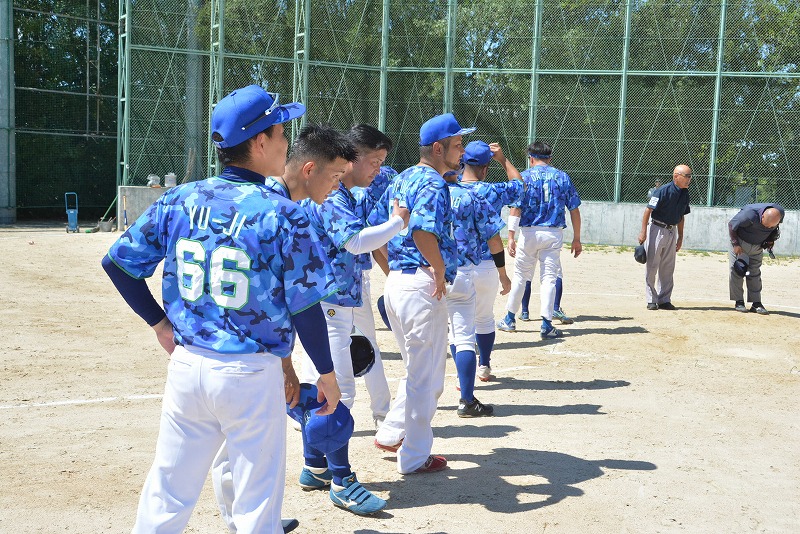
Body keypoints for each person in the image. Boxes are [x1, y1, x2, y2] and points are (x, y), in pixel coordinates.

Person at [102, 84, 342, 534]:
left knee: (168, 492)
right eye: (280, 132)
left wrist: (159, 324)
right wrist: (326, 374)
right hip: (249, 374)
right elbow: (306, 306)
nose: (286, 142)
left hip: (188, 366)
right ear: (259, 142)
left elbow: (117, 264)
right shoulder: (284, 213)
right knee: (256, 506)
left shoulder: (181, 198)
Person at [296, 124, 410, 514]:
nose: (378, 169)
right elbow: (355, 241)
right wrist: (399, 221)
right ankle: (342, 480)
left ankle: (315, 466)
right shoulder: (332, 195)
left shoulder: (341, 192)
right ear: (351, 159)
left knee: (324, 387)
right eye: (374, 161)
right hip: (327, 302)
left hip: (330, 300)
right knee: (338, 391)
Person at [368, 112, 470, 474]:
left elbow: (377, 231)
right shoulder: (432, 183)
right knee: (427, 378)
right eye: (457, 144)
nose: (461, 151)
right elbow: (423, 232)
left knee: (416, 370)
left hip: (399, 282)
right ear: (438, 149)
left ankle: (391, 432)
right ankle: (413, 456)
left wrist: (393, 272)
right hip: (422, 283)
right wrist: (438, 270)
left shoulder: (401, 177)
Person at [444, 153, 511, 416]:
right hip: (469, 269)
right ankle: (470, 393)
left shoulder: (428, 192)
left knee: (445, 335)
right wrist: (503, 273)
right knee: (475, 326)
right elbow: (494, 239)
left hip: (431, 272)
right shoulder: (476, 195)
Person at [497, 141, 582, 339]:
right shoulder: (562, 177)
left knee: (521, 276)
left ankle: (510, 319)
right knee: (549, 278)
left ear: (531, 159)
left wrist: (511, 236)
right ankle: (546, 324)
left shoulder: (524, 177)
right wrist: (577, 238)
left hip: (529, 232)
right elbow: (574, 209)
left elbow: (516, 208)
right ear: (549, 158)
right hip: (553, 233)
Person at [458, 141, 521, 381]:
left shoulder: (448, 189)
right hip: (486, 265)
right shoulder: (493, 191)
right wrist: (503, 160)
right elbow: (519, 186)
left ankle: (462, 377)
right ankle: (484, 365)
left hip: (455, 266)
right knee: (484, 318)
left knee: (459, 326)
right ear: (485, 168)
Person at [638, 165, 692, 310]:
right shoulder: (662, 191)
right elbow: (648, 210)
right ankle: (651, 299)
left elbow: (681, 216)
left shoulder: (685, 193)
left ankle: (664, 299)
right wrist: (643, 232)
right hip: (657, 229)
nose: (689, 179)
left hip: (672, 231)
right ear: (676, 176)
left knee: (668, 267)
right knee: (652, 265)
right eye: (686, 176)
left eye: (690, 176)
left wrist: (680, 236)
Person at [728, 203, 785, 314]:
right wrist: (735, 244)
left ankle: (756, 303)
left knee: (754, 272)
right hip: (740, 243)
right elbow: (731, 225)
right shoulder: (749, 214)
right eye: (766, 225)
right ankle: (739, 301)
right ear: (762, 217)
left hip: (758, 246)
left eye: (771, 226)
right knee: (737, 270)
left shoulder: (779, 213)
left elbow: (774, 229)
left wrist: (770, 240)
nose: (768, 228)